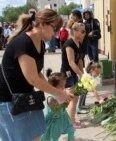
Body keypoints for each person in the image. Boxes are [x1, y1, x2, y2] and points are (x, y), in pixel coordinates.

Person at [0, 9, 73, 141]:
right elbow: (32, 79)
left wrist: (56, 91)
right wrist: (59, 93)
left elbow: (37, 72)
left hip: (26, 96)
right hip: (9, 101)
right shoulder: (23, 43)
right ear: (43, 24)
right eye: (55, 29)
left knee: (36, 135)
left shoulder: (39, 43)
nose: (57, 34)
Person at [61, 22, 86, 128]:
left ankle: (70, 120)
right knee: (71, 99)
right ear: (74, 31)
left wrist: (83, 73)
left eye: (84, 31)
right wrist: (81, 74)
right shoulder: (69, 44)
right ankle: (69, 123)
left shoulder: (78, 43)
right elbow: (71, 62)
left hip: (75, 74)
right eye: (82, 31)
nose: (84, 34)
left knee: (74, 98)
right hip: (68, 74)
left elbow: (79, 59)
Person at [41, 69, 75, 141]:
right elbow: (56, 109)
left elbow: (64, 106)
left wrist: (68, 100)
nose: (64, 88)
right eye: (61, 86)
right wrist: (64, 100)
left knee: (71, 129)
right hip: (54, 120)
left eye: (64, 85)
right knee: (53, 137)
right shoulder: (50, 98)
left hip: (63, 117)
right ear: (53, 87)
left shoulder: (62, 93)